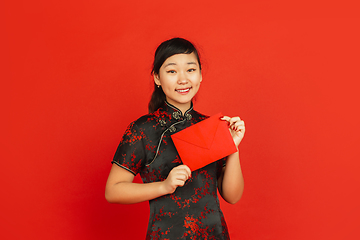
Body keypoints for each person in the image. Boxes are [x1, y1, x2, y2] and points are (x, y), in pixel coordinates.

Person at [105, 37, 245, 240]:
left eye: (190, 70)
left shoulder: (213, 126)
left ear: (200, 75)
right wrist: (164, 186)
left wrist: (232, 147)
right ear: (157, 78)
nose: (183, 79)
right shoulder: (143, 129)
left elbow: (232, 196)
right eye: (172, 71)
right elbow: (113, 191)